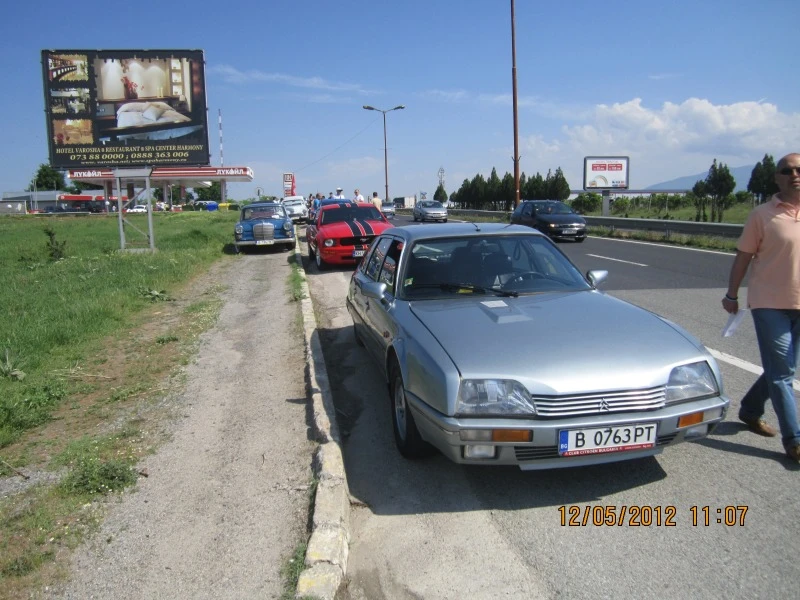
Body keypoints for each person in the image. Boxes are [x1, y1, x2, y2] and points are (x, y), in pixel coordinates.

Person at [722, 152, 800, 462]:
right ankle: (794, 440)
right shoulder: (762, 214)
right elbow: (743, 257)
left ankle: (751, 410)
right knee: (782, 373)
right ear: (777, 177)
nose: (794, 174)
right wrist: (731, 295)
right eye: (787, 170)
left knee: (781, 369)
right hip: (769, 304)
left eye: (799, 169)